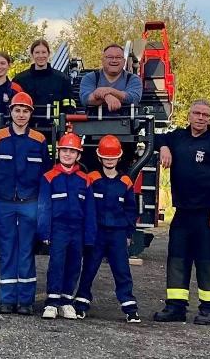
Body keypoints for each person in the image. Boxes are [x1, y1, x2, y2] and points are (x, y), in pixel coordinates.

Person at [153, 100, 210, 325]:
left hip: (208, 214)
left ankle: (209, 309)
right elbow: (157, 137)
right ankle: (175, 307)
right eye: (196, 113)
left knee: (207, 261)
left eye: (205, 115)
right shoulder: (178, 137)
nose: (200, 117)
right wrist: (164, 147)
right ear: (188, 115)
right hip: (183, 213)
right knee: (177, 259)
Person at [0, 91, 50, 315]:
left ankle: (25, 301)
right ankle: (7, 299)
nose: (21, 114)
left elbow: (45, 174)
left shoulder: (39, 140)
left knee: (25, 251)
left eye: (25, 111)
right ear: (10, 112)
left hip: (29, 202)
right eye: (17, 110)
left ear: (31, 114)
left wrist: (42, 204)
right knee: (7, 250)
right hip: (3, 202)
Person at [74, 135, 142, 323]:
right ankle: (80, 305)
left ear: (119, 157)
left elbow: (131, 210)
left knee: (122, 270)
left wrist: (129, 233)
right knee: (89, 268)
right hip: (96, 233)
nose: (109, 160)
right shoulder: (92, 179)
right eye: (106, 156)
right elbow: (85, 207)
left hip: (118, 234)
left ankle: (130, 308)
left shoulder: (126, 182)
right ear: (99, 157)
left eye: (113, 157)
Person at [37, 133, 96, 320]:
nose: (68, 154)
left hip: (77, 230)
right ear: (58, 152)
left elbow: (90, 211)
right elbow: (44, 206)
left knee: (73, 265)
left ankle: (67, 301)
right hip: (58, 229)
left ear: (78, 155)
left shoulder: (85, 180)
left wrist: (89, 235)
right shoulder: (49, 177)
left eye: (72, 151)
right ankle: (52, 303)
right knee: (56, 264)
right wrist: (44, 231)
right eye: (64, 151)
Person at [14, 39, 76, 125]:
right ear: (32, 54)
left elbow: (69, 105)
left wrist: (64, 124)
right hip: (26, 129)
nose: (41, 56)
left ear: (49, 54)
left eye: (43, 52)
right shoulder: (20, 79)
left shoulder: (62, 79)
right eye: (37, 52)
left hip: (54, 130)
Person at [79, 44, 142, 116]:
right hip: (93, 124)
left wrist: (108, 90)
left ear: (124, 61)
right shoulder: (89, 78)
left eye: (118, 57)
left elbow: (133, 98)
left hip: (127, 125)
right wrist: (107, 97)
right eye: (110, 57)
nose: (114, 60)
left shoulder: (133, 79)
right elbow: (85, 99)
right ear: (103, 60)